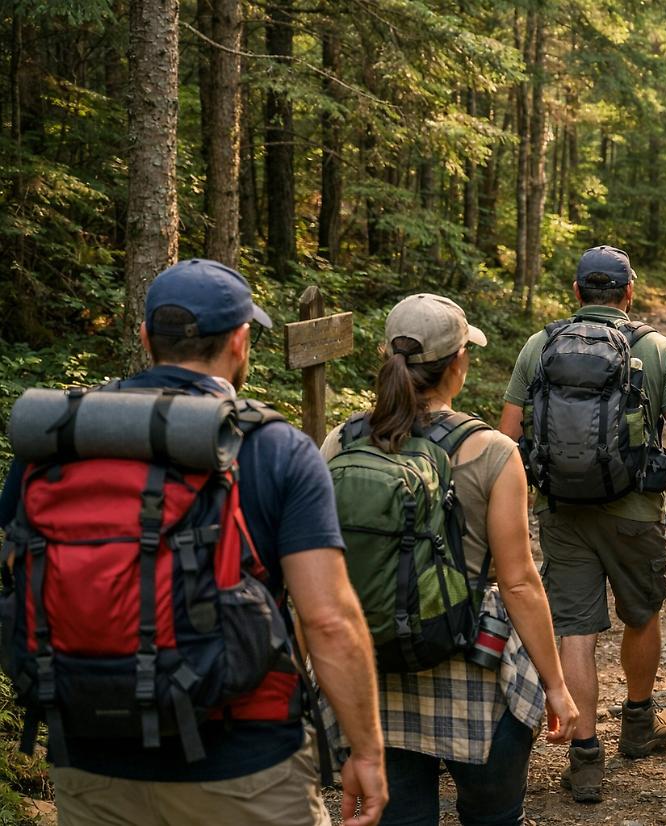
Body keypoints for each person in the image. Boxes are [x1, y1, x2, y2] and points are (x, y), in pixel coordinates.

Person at [0, 260, 387, 826]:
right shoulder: (275, 447)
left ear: (144, 337)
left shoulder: (60, 437)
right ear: (240, 340)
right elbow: (328, 619)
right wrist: (367, 751)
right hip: (242, 761)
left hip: (90, 755)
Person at [320, 294, 579, 826]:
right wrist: (555, 685)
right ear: (457, 362)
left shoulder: (340, 443)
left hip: (376, 676)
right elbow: (520, 583)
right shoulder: (492, 451)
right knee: (493, 815)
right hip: (475, 672)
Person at [499, 245, 666, 803]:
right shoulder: (656, 348)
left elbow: (508, 439)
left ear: (576, 293)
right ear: (629, 292)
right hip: (635, 512)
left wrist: (513, 516)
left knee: (575, 626)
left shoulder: (539, 346)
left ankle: (586, 755)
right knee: (641, 613)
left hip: (561, 512)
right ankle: (639, 724)